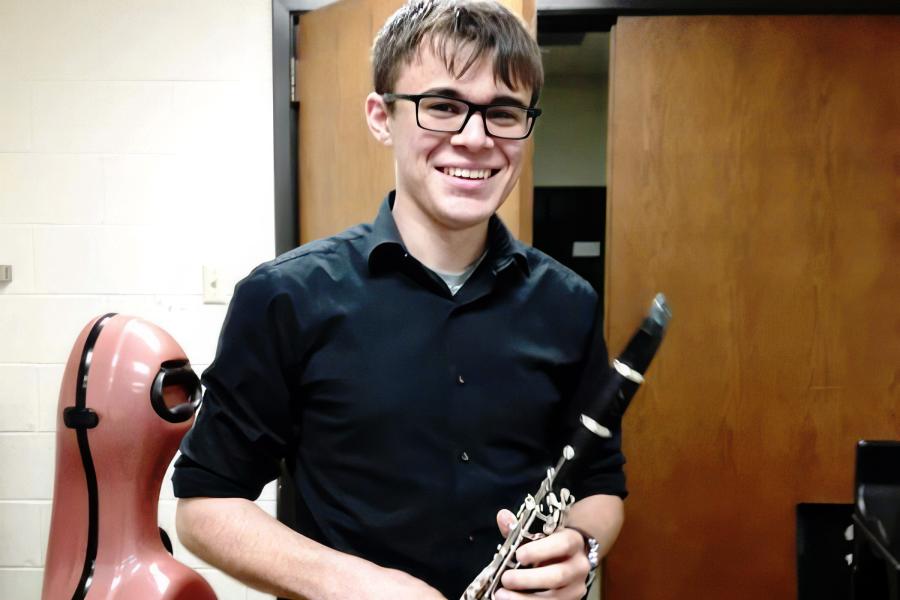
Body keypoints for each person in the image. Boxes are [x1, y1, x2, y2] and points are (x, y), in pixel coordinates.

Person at [172, 1, 626, 598]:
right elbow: (204, 504)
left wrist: (580, 552)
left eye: (504, 113)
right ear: (381, 117)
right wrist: (352, 583)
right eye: (442, 107)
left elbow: (600, 486)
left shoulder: (569, 304)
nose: (475, 139)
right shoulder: (285, 296)